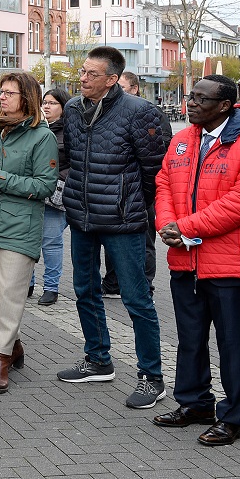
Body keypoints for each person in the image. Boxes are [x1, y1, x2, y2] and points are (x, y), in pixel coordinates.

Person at [152, 76, 240, 446]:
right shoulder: (182, 138)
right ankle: (194, 404)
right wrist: (166, 224)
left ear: (224, 105)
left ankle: (235, 416)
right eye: (190, 96)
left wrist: (186, 226)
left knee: (233, 344)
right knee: (190, 340)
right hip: (185, 261)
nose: (190, 103)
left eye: (199, 98)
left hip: (233, 266)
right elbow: (163, 183)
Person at [56, 47, 169, 409]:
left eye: (91, 74)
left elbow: (155, 171)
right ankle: (98, 360)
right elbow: (70, 158)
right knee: (84, 290)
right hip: (83, 218)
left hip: (123, 222)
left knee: (137, 300)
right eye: (82, 72)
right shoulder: (73, 108)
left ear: (112, 79)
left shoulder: (140, 112)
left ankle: (152, 378)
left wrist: (129, 202)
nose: (83, 78)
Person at [0, 72, 57, 393]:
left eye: (9, 93)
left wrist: (1, 178)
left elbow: (45, 185)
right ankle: (13, 345)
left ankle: (0, 359)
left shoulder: (41, 136)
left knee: (10, 294)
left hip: (21, 228)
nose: (2, 97)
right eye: (1, 92)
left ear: (26, 99)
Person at [100, 70, 172, 296]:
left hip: (141, 187)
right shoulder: (105, 113)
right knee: (112, 239)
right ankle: (113, 283)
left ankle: (144, 285)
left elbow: (162, 149)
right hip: (112, 189)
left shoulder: (151, 112)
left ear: (134, 89)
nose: (115, 92)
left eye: (121, 87)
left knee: (144, 239)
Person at [30, 87, 71, 306]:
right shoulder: (35, 128)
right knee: (29, 241)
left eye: (53, 103)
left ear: (64, 107)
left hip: (56, 196)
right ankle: (27, 282)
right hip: (32, 193)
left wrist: (56, 179)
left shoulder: (71, 131)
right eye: (44, 102)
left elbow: (76, 163)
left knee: (51, 242)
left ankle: (51, 288)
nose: (46, 106)